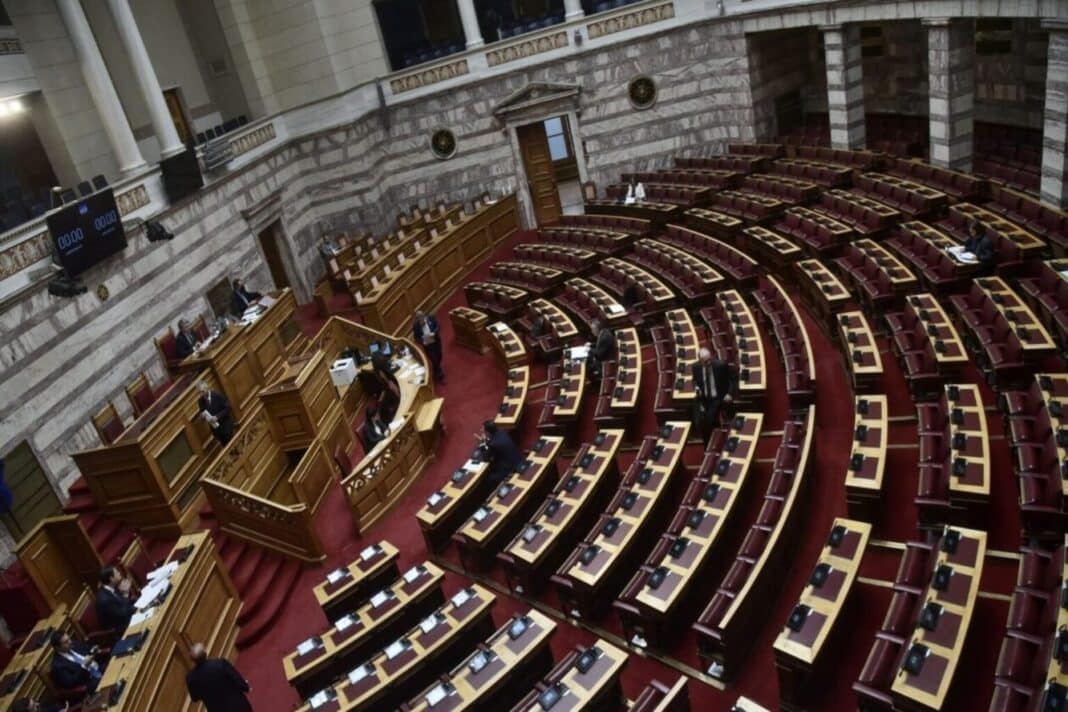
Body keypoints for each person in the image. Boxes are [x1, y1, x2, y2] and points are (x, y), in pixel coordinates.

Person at [185, 642, 252, 712]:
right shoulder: (220, 664)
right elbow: (235, 678)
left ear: (192, 660)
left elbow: (195, 698)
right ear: (205, 653)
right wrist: (245, 686)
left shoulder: (190, 678)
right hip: (237, 705)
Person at [692, 347, 736, 446]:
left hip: (718, 397)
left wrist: (729, 393)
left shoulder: (721, 365)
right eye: (705, 361)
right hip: (703, 397)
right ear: (700, 361)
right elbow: (694, 380)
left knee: (709, 419)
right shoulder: (696, 367)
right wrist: (696, 387)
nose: (709, 363)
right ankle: (709, 443)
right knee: (698, 419)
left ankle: (711, 444)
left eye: (709, 360)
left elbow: (732, 380)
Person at [49, 631, 103, 695]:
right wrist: (85, 666)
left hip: (98, 668)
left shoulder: (74, 644)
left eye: (69, 639)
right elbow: (71, 682)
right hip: (89, 681)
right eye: (66, 642)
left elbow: (88, 650)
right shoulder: (57, 666)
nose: (70, 642)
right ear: (57, 647)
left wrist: (93, 650)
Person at [95, 566, 136, 636]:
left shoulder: (111, 587)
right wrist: (125, 594)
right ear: (111, 578)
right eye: (117, 572)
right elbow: (123, 614)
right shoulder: (105, 600)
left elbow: (122, 603)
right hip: (121, 630)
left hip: (127, 618)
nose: (119, 573)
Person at [478, 420, 521, 485]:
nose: (481, 430)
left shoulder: (493, 444)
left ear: (488, 432)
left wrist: (482, 444)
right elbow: (494, 441)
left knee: (487, 479)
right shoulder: (502, 432)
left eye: (483, 430)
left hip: (509, 468)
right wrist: (487, 440)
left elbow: (486, 458)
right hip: (517, 460)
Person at [413, 310, 445, 383]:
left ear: (424, 315)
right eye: (418, 318)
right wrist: (422, 341)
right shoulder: (416, 326)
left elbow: (438, 326)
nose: (420, 319)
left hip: (436, 341)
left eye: (421, 317)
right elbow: (416, 338)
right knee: (434, 360)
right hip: (427, 346)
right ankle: (440, 375)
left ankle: (436, 369)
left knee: (439, 356)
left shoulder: (430, 318)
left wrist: (434, 333)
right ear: (417, 319)